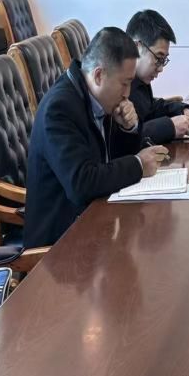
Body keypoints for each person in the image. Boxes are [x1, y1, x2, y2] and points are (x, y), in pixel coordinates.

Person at [24, 27, 168, 248]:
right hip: (59, 245)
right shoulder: (60, 109)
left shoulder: (99, 97)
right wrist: (139, 165)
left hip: (96, 224)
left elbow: (112, 161)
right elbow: (82, 183)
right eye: (124, 83)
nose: (127, 93)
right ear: (99, 75)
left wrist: (128, 128)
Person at [126, 10, 189, 144]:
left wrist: (182, 109)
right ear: (136, 48)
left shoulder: (139, 80)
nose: (161, 68)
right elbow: (123, 141)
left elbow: (151, 109)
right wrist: (169, 127)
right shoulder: (116, 84)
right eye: (158, 58)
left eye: (164, 60)